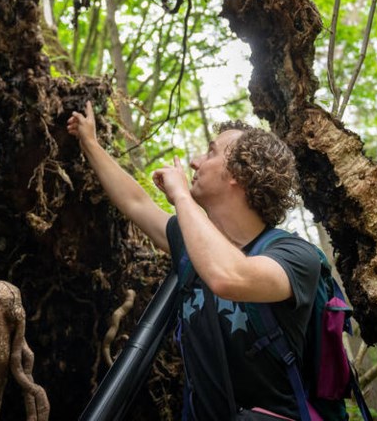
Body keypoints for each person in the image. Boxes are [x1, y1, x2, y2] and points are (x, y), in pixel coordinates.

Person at [67, 101, 321, 421]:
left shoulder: (295, 257)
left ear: (241, 173)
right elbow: (136, 203)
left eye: (210, 153)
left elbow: (228, 277)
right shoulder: (190, 246)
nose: (194, 161)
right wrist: (90, 142)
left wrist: (183, 198)